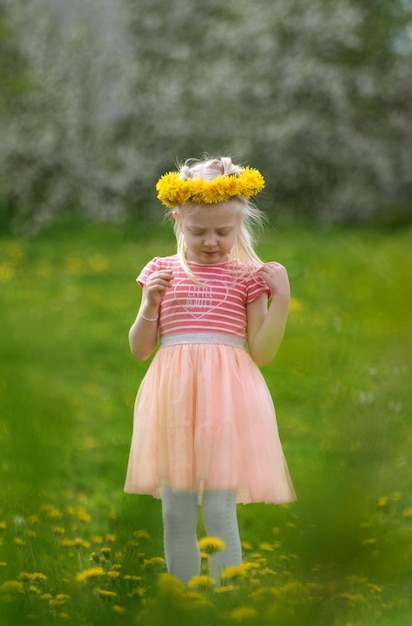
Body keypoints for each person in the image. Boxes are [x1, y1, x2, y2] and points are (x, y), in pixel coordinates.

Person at [125, 156, 295, 585]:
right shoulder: (162, 271)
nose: (211, 242)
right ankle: (181, 598)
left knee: (219, 509)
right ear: (177, 219)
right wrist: (149, 307)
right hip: (174, 401)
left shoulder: (246, 278)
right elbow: (140, 349)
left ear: (240, 225)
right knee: (176, 510)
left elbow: (262, 352)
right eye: (198, 231)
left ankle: (228, 599)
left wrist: (282, 303)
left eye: (223, 231)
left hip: (227, 401)